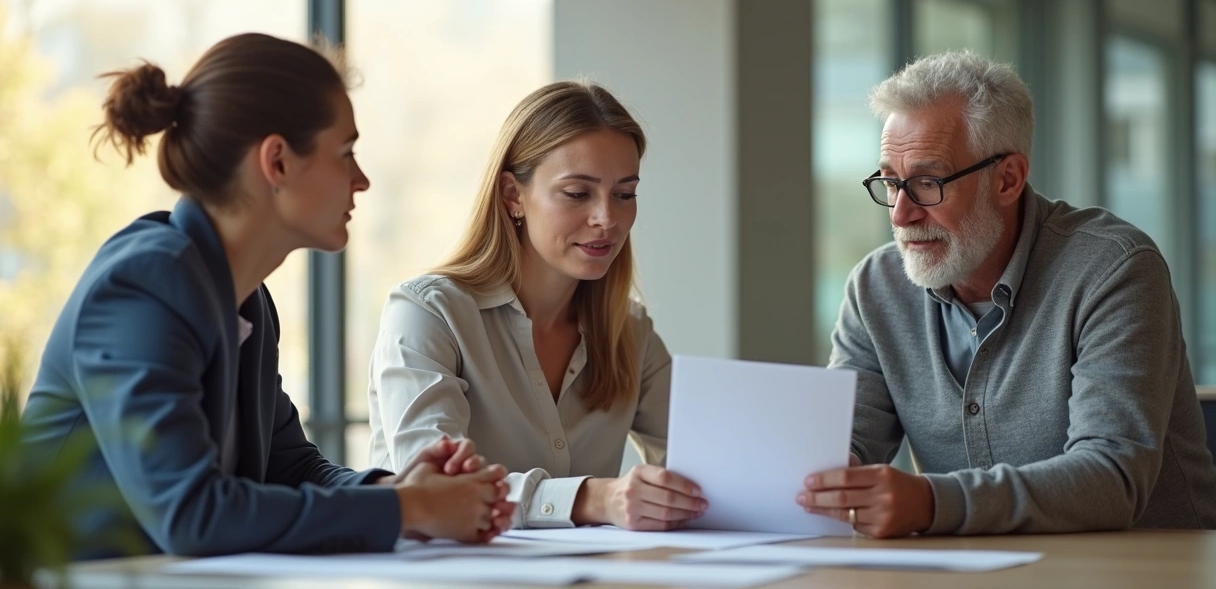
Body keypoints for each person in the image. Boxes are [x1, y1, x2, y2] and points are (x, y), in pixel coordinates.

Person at [20, 33, 513, 559]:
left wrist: (398, 490)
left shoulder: (246, 297)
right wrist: (412, 512)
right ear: (276, 162)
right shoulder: (144, 285)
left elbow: (291, 468)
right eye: (345, 153)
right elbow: (191, 515)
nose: (362, 180)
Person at [798, 50, 1216, 538]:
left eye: (928, 183)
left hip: (1146, 571)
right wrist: (709, 495)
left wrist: (934, 502)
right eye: (891, 182)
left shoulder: (1114, 270)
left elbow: (1113, 477)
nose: (900, 214)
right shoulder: (876, 290)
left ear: (1008, 179)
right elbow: (839, 450)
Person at [367, 81, 707, 531]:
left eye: (624, 194)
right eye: (577, 193)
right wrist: (593, 498)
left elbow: (706, 464)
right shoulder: (429, 313)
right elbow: (437, 487)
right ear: (513, 195)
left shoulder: (629, 331)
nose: (608, 218)